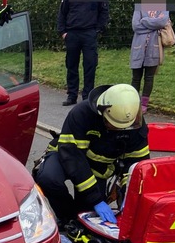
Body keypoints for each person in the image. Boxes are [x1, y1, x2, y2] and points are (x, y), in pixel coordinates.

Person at [33, 83, 149, 228]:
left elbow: (137, 163)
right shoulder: (82, 114)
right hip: (66, 155)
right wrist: (95, 199)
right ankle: (67, 217)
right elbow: (73, 156)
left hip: (99, 168)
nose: (122, 129)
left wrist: (129, 195)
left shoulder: (132, 120)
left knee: (86, 218)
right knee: (49, 178)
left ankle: (77, 218)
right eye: (115, 125)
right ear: (103, 114)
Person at [57, 0, 109, 105]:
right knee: (71, 65)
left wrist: (98, 30)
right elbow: (62, 12)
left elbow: (104, 12)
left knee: (90, 65)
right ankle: (72, 95)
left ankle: (87, 96)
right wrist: (63, 32)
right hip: (72, 33)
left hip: (89, 33)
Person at [130, 5, 170, 113]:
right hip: (138, 48)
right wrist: (153, 25)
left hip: (154, 48)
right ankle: (133, 102)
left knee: (149, 77)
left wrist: (145, 20)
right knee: (136, 78)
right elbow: (135, 25)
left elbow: (162, 22)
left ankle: (144, 104)